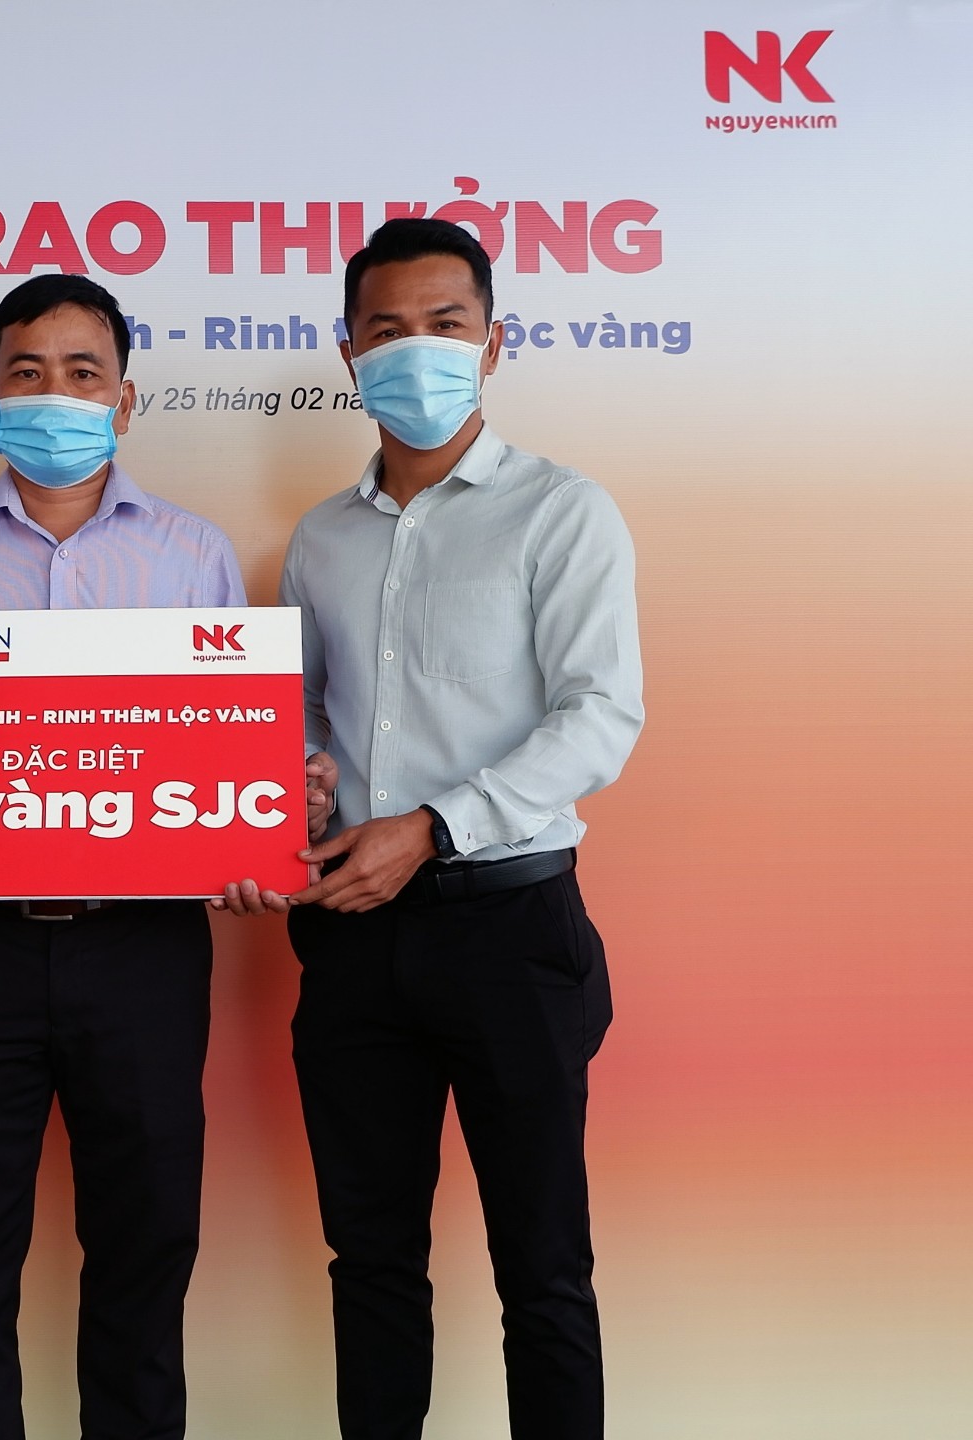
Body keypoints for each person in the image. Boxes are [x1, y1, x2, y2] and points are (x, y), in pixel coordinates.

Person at [219, 217, 643, 1439]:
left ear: (492, 344)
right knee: (369, 1266)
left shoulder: (560, 512)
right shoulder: (320, 538)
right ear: (346, 350)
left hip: (510, 928)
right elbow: (305, 722)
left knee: (542, 1270)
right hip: (353, 941)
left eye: (445, 324)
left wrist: (432, 827)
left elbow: (599, 717)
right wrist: (292, 794)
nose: (416, 349)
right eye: (386, 328)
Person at [0, 273, 246, 1440]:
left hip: (141, 947)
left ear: (124, 400)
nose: (54, 394)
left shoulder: (194, 556)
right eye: (26, 373)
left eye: (82, 373)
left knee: (145, 1244)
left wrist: (262, 823)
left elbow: (236, 747)